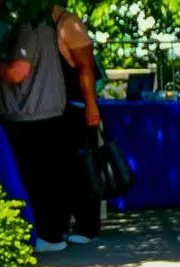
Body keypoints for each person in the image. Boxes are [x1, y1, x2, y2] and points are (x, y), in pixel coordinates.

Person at [0, 10, 73, 253]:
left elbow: (17, 72)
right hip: (43, 114)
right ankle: (54, 233)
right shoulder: (39, 24)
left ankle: (48, 236)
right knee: (48, 179)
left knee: (38, 181)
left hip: (32, 116)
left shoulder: (27, 26)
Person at [54, 2, 103, 244]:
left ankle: (88, 225)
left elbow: (86, 68)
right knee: (63, 168)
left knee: (84, 165)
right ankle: (64, 221)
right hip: (57, 107)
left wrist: (91, 105)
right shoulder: (45, 25)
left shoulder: (68, 24)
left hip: (76, 105)